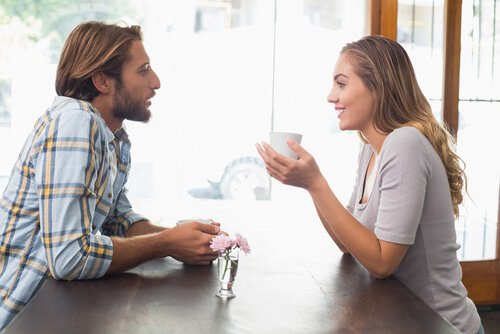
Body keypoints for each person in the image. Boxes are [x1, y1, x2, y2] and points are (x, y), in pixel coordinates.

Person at [256, 35, 483, 334]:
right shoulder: (371, 150)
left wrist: (316, 183)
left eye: (341, 83)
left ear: (377, 86)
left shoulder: (405, 144)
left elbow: (381, 263)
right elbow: (347, 243)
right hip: (401, 318)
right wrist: (308, 185)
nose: (331, 97)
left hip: (440, 325)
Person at [0, 21, 220, 329]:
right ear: (103, 81)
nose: (156, 82)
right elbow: (69, 258)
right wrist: (166, 243)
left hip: (58, 310)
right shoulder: (75, 123)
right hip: (23, 318)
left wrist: (184, 239)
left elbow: (117, 219)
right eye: (143, 70)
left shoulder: (111, 135)